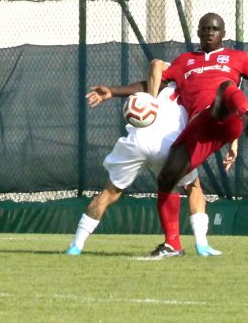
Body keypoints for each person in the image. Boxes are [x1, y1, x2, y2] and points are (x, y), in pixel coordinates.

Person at [147, 12, 248, 255]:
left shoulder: (237, 57)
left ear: (223, 33)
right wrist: (113, 92)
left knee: (224, 88)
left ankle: (247, 112)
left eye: (215, 28)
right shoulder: (185, 61)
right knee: (167, 178)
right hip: (199, 128)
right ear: (199, 33)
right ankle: (173, 245)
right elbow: (151, 82)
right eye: (205, 28)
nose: (210, 32)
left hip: (226, 118)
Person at [66, 62, 237, 258]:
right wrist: (233, 143)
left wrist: (120, 93)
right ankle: (201, 245)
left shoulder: (164, 83)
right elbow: (224, 114)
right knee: (193, 187)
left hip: (137, 141)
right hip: (167, 144)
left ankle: (75, 246)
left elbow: (155, 66)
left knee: (109, 193)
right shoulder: (194, 88)